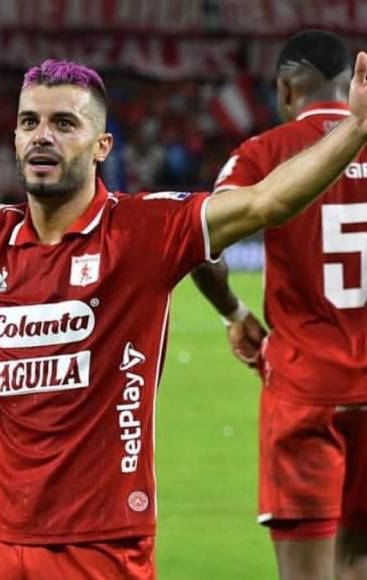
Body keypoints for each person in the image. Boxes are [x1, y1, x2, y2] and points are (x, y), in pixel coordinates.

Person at [0, 54, 367, 579]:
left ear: (103, 145)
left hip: (100, 539)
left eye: (63, 123)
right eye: (29, 122)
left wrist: (356, 129)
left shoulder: (145, 230)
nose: (41, 136)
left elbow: (269, 200)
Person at [191, 30, 367, 580]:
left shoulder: (264, 154)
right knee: (357, 560)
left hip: (304, 391)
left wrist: (236, 314)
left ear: (287, 89)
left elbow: (198, 243)